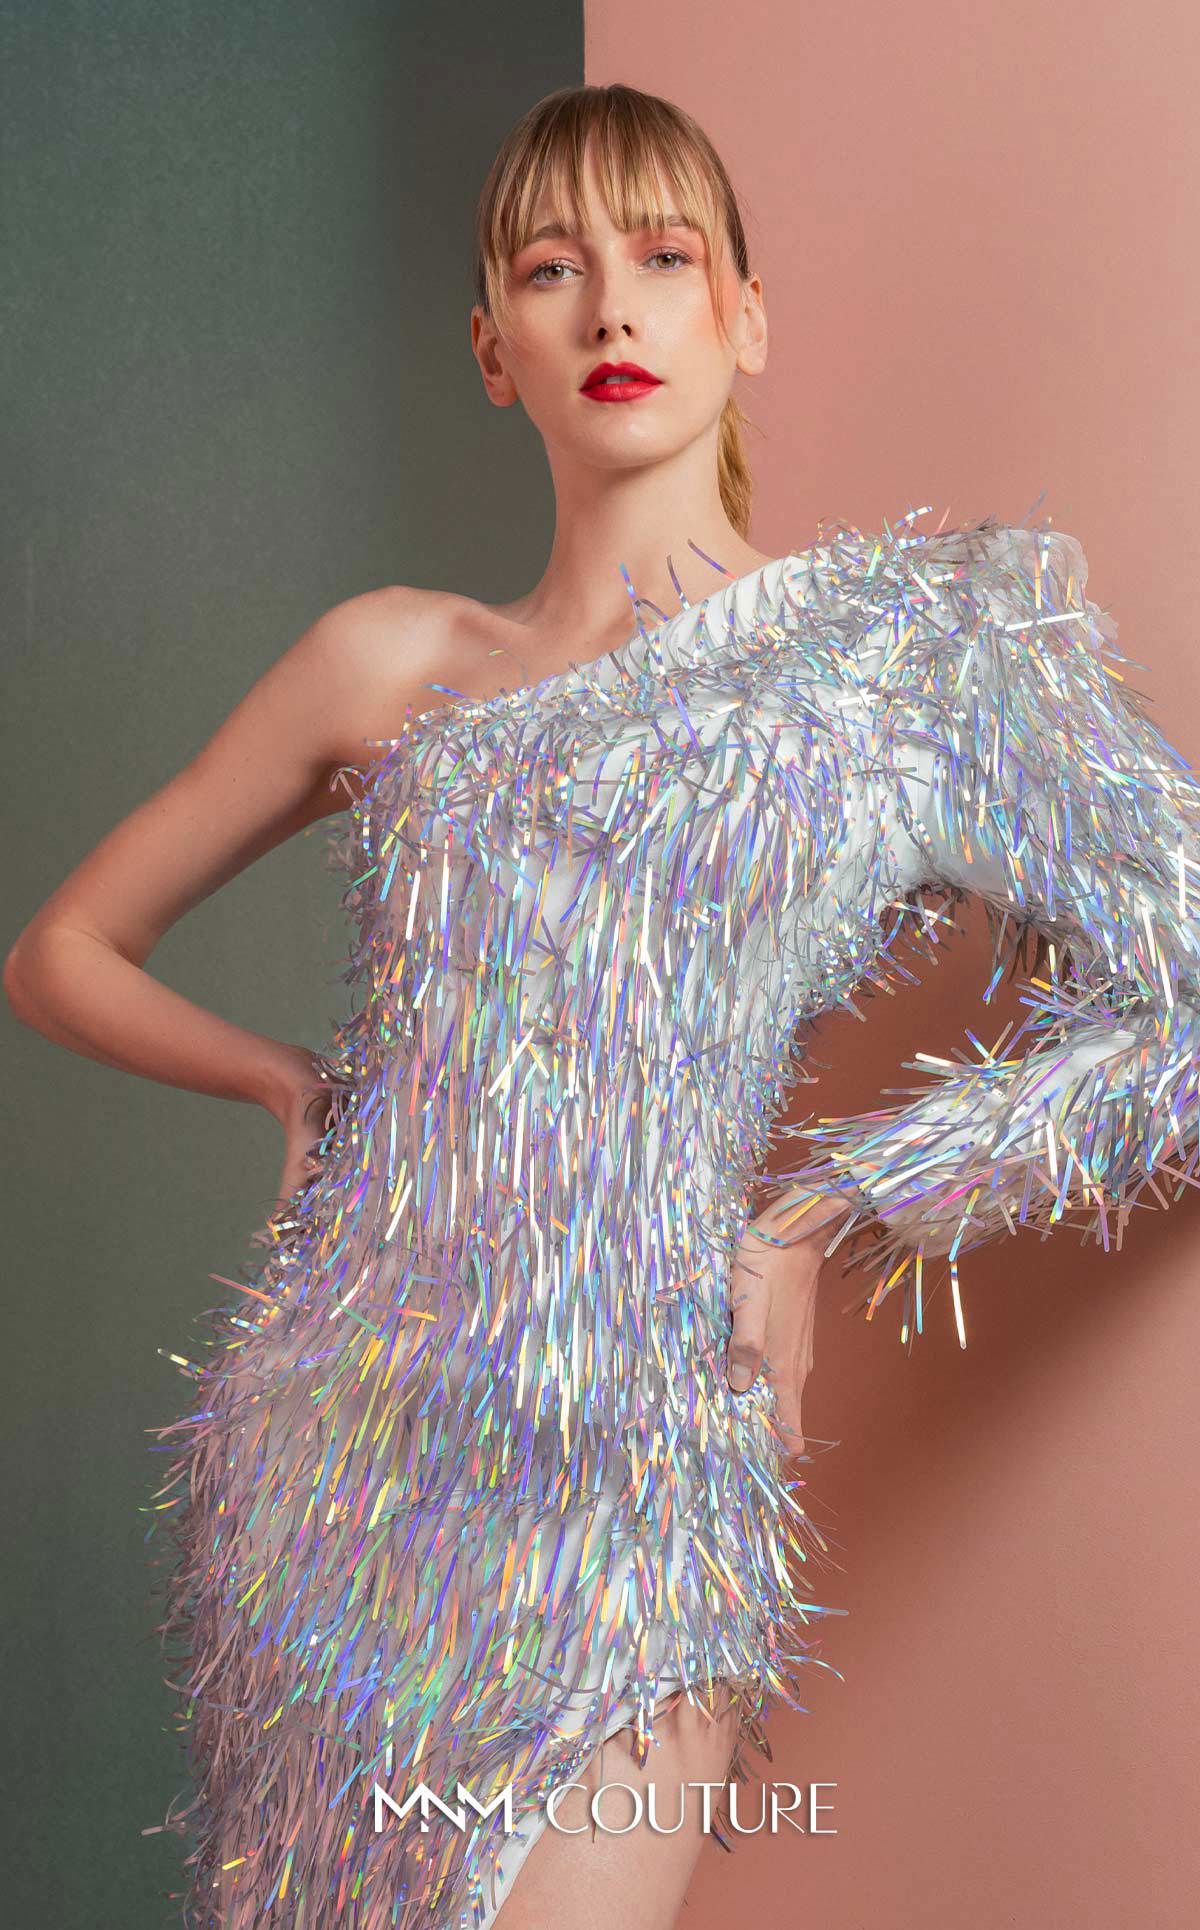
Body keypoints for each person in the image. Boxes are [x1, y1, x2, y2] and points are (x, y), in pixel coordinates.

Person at [6, 78, 1200, 1930]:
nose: (613, 307)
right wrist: (289, 1087)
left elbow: (1181, 983)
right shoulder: (392, 657)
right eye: (554, 270)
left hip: (647, 1466)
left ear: (746, 317)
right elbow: (62, 949)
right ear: (495, 349)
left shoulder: (896, 671)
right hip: (346, 1465)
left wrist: (826, 1210)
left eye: (664, 257)